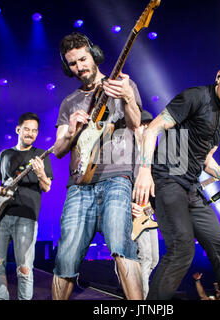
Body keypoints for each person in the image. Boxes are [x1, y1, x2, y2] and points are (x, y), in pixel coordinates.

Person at [133, 61, 220, 300]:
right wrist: (145, 171)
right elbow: (152, 129)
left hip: (191, 188)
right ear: (219, 76)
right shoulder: (195, 97)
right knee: (182, 250)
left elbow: (206, 160)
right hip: (167, 178)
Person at [51, 32, 143, 300]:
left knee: (120, 246)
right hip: (79, 186)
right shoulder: (69, 102)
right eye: (72, 64)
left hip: (117, 177)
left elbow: (137, 124)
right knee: (66, 254)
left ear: (94, 55)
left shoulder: (123, 84)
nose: (79, 67)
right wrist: (70, 132)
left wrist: (126, 97)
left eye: (83, 59)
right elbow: (57, 150)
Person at [0, 112, 53, 300]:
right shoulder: (5, 154)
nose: (30, 133)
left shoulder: (41, 156)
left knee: (24, 267)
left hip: (27, 217)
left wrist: (40, 173)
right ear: (18, 129)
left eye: (34, 131)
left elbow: (47, 187)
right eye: (26, 129)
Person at [131, 110, 159, 299]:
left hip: (148, 214)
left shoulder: (153, 158)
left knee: (154, 259)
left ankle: (134, 290)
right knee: (145, 257)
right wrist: (127, 205)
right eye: (144, 126)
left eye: (151, 127)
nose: (148, 130)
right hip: (132, 213)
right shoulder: (128, 154)